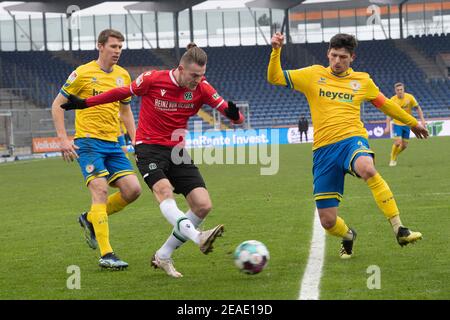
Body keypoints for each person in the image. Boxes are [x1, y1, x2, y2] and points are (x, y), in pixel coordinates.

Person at [60, 43, 245, 277]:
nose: (198, 80)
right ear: (180, 68)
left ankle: (163, 256)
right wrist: (85, 103)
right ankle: (199, 237)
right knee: (163, 190)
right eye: (194, 75)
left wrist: (234, 115)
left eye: (202, 75)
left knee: (203, 205)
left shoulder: (203, 88)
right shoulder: (152, 79)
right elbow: (121, 93)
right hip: (148, 147)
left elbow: (234, 116)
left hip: (177, 150)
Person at [267, 33, 428, 259]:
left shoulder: (363, 81)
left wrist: (412, 123)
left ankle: (399, 229)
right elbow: (274, 77)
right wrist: (276, 51)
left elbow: (386, 105)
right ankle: (348, 235)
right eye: (333, 56)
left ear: (352, 57)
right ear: (328, 53)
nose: (337, 61)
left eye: (343, 57)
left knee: (367, 168)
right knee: (328, 221)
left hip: (352, 139)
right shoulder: (314, 74)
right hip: (323, 152)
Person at [51, 29, 142, 270]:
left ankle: (90, 218)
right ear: (100, 46)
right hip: (88, 142)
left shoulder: (123, 76)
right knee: (100, 190)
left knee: (133, 190)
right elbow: (57, 105)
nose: (118, 51)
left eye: (120, 47)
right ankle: (107, 254)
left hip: (113, 143)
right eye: (113, 46)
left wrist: (136, 141)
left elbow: (125, 112)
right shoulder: (82, 73)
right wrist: (63, 138)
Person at [385, 82, 426, 167]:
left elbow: (418, 108)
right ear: (395, 91)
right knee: (397, 142)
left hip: (407, 124)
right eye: (398, 90)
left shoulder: (410, 98)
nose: (399, 91)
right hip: (397, 123)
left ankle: (395, 155)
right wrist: (388, 126)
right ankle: (392, 158)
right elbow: (388, 114)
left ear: (403, 90)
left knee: (404, 146)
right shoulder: (392, 100)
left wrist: (422, 120)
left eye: (401, 89)